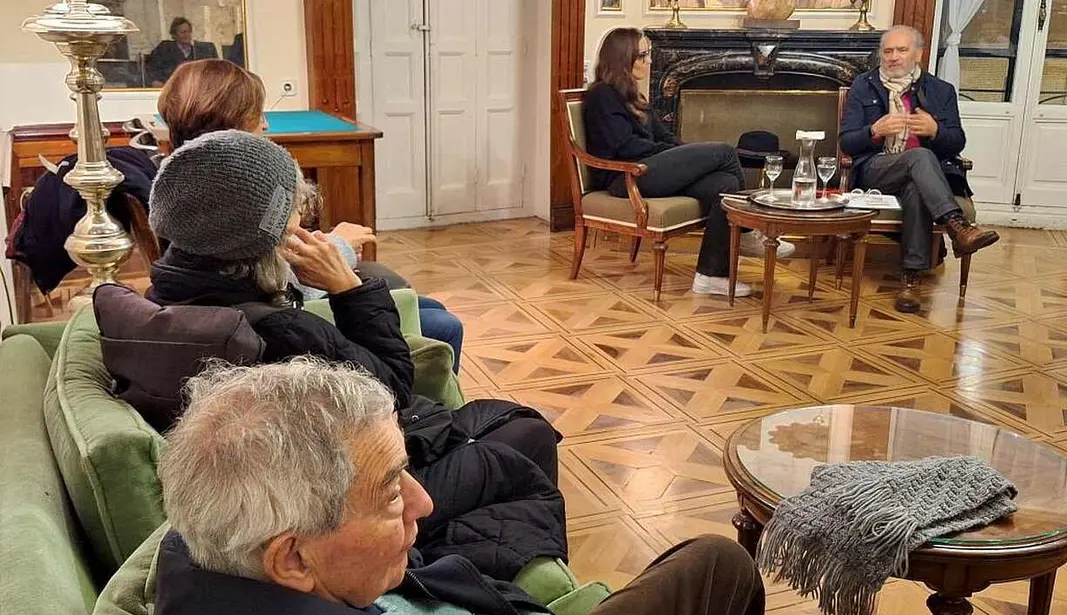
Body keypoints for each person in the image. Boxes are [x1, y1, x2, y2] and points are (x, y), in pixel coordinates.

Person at [152, 357, 768, 615]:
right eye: (392, 491)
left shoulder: (221, 555)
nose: (423, 502)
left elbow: (444, 603)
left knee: (718, 564)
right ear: (292, 558)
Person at [143, 129, 565, 581]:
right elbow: (391, 393)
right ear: (262, 243)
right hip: (353, 488)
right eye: (291, 226)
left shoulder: (167, 293)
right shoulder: (278, 330)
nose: (303, 232)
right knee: (528, 435)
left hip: (318, 468)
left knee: (506, 420)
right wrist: (349, 287)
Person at [157, 59, 464, 372]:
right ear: (234, 126)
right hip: (294, 321)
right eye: (257, 115)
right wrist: (340, 257)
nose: (265, 125)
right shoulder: (242, 197)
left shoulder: (184, 193)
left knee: (430, 310)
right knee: (442, 324)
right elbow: (283, 288)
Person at [583, 28, 795, 298]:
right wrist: (675, 154)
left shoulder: (633, 96)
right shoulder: (602, 95)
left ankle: (710, 276)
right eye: (643, 55)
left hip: (650, 167)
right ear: (624, 58)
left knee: (724, 183)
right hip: (625, 178)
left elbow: (664, 136)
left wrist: (687, 153)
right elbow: (625, 147)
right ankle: (745, 233)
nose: (649, 61)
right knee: (725, 153)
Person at [840, 25, 999, 314]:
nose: (893, 57)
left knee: (916, 182)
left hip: (924, 177)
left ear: (918, 54)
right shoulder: (863, 86)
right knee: (920, 157)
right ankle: (957, 227)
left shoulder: (941, 91)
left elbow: (956, 143)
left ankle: (910, 282)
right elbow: (847, 143)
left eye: (901, 50)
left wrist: (936, 130)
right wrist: (873, 130)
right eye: (888, 51)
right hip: (877, 170)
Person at [146, 17, 219, 87]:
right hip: (172, 89)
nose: (187, 35)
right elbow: (151, 68)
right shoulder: (165, 49)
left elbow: (216, 70)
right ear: (174, 35)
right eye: (183, 32)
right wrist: (154, 81)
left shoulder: (201, 51)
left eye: (189, 32)